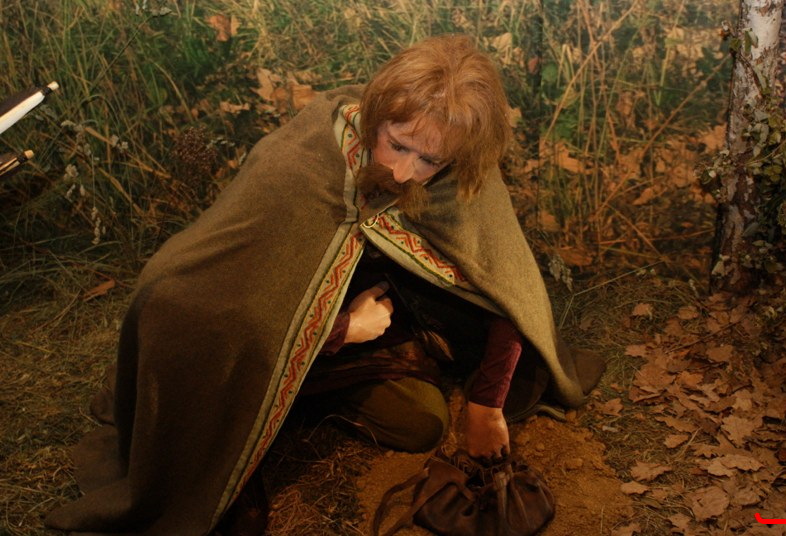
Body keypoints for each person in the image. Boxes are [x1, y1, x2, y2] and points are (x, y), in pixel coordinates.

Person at [46, 34, 604, 535]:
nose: (405, 173)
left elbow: (504, 286)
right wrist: (341, 328)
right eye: (397, 144)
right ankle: (256, 405)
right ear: (378, 115)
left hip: (361, 337)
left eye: (429, 159)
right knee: (215, 397)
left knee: (423, 424)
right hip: (287, 334)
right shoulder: (303, 159)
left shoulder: (461, 166)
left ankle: (293, 398)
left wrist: (485, 406)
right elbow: (203, 300)